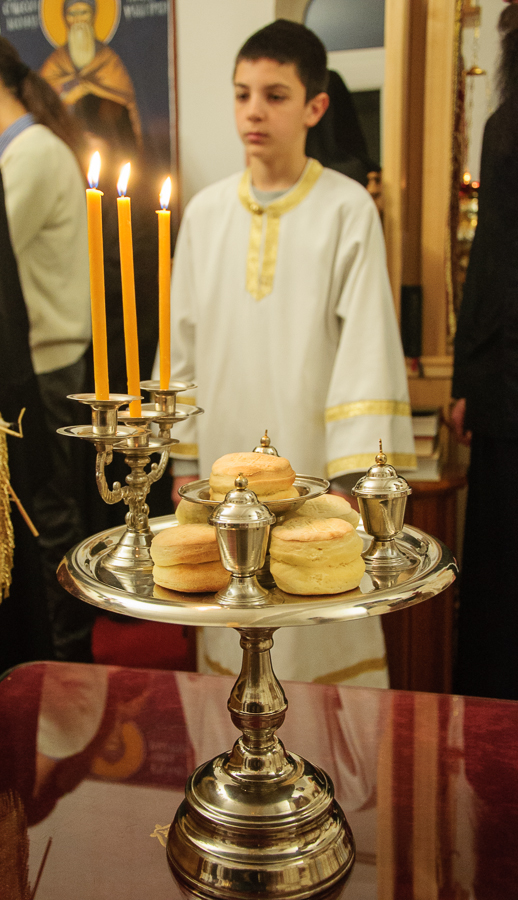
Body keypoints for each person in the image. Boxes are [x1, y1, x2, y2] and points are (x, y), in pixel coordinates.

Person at [157, 20, 415, 686]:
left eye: (275, 95)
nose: (254, 111)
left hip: (315, 462)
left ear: (315, 106)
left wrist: (355, 475)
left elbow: (367, 343)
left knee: (319, 609)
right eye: (242, 94)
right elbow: (181, 339)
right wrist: (184, 459)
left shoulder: (346, 208)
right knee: (231, 616)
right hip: (221, 460)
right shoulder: (206, 212)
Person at [0, 30, 96, 663]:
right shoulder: (18, 150)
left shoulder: (31, 154)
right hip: (43, 358)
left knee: (50, 513)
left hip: (50, 362)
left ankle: (69, 657)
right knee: (44, 509)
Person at [451, 3, 518, 701]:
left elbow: (489, 269)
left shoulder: (505, 128)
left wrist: (467, 378)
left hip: (505, 380)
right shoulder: (506, 129)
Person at [40, 0, 141, 148]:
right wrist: (68, 95)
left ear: (94, 15)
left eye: (83, 12)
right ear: (64, 18)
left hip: (108, 141)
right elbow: (42, 103)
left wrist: (88, 89)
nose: (78, 19)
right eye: (72, 14)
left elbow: (125, 100)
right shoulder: (55, 62)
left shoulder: (108, 60)